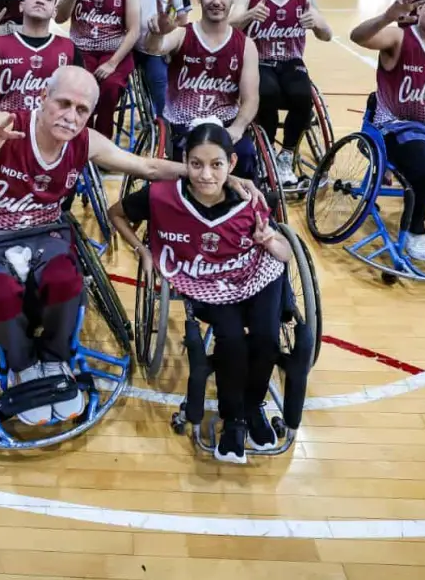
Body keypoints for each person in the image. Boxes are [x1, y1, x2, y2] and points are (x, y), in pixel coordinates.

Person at [0, 66, 263, 426]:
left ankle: (53, 358)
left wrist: (213, 173)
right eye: (63, 103)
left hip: (47, 232)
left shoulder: (86, 141)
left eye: (81, 110)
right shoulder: (5, 128)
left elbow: (147, 167)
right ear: (43, 98)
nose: (71, 116)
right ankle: (21, 365)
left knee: (68, 284)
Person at [110, 120, 303, 464]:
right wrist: (142, 249)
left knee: (266, 339)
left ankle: (253, 406)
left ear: (231, 165)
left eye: (216, 165)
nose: (206, 175)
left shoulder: (248, 197)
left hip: (258, 273)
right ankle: (234, 418)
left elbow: (286, 256)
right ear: (185, 161)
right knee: (230, 340)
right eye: (196, 164)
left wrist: (269, 239)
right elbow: (117, 214)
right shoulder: (160, 195)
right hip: (207, 281)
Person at [349, 0, 425, 264]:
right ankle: (415, 229)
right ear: (419, 8)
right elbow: (358, 37)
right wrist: (388, 16)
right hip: (391, 127)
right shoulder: (398, 38)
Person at [228, 0, 332, 187]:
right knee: (268, 94)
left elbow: (327, 35)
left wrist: (317, 23)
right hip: (259, 61)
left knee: (303, 97)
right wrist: (250, 15)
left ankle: (285, 155)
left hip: (291, 62)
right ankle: (267, 154)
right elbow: (229, 25)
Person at [144, 0, 260, 178]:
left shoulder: (246, 46)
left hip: (225, 127)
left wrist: (238, 127)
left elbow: (251, 98)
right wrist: (156, 33)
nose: (216, 1)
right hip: (182, 126)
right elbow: (156, 47)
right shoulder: (181, 34)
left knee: (245, 154)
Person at [56, 0, 140, 137]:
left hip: (114, 53)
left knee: (110, 88)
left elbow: (134, 30)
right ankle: (79, 139)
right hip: (81, 51)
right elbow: (59, 17)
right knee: (80, 91)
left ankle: (101, 144)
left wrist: (112, 63)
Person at [124, 0, 189, 117]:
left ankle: (163, 126)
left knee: (158, 87)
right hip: (129, 45)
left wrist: (167, 35)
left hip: (156, 49)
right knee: (119, 84)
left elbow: (183, 19)